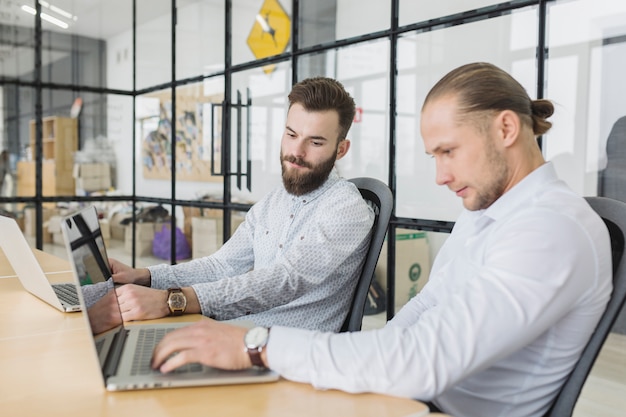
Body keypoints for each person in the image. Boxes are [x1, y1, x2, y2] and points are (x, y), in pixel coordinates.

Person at [149, 62, 613, 417]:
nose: (439, 175)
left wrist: (255, 345)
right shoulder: (492, 210)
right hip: (410, 399)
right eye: (434, 156)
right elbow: (427, 308)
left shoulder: (551, 229)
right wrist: (374, 358)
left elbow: (427, 359)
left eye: (448, 152)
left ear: (506, 128)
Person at [94, 76, 375, 333]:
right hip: (239, 332)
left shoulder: (347, 208)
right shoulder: (273, 202)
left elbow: (285, 280)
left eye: (315, 142)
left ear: (340, 149)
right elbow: (221, 265)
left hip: (286, 355)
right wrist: (145, 277)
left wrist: (173, 301)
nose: (296, 153)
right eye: (291, 135)